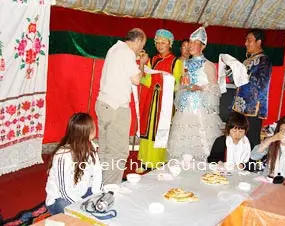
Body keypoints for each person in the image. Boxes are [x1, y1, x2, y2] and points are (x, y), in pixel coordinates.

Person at [95, 28, 148, 184]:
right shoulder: (127, 53)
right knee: (117, 152)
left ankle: (99, 183)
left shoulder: (115, 48)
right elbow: (136, 80)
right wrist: (142, 64)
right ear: (138, 41)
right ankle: (110, 189)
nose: (141, 49)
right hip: (116, 107)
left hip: (103, 103)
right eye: (142, 44)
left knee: (104, 149)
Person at [167, 27, 223, 161]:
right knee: (182, 140)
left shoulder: (208, 65)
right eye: (190, 42)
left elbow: (215, 88)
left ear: (202, 46)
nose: (190, 45)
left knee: (202, 141)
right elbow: (182, 85)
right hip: (185, 108)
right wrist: (183, 84)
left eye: (194, 42)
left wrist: (200, 88)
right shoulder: (184, 63)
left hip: (200, 109)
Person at [138, 29, 182, 169]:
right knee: (148, 129)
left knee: (160, 131)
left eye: (164, 42)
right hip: (151, 100)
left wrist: (167, 81)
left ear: (170, 44)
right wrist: (142, 67)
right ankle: (145, 161)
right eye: (158, 42)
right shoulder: (152, 60)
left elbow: (177, 86)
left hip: (165, 103)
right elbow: (147, 81)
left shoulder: (176, 62)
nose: (160, 45)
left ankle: (157, 163)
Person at [45, 113, 102, 215]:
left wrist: (96, 195)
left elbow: (97, 172)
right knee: (75, 214)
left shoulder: (91, 146)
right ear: (85, 132)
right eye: (93, 126)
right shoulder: (63, 155)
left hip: (82, 193)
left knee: (104, 200)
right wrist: (82, 205)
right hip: (60, 199)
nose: (95, 128)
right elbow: (64, 191)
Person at [231, 29, 272, 149]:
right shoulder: (247, 60)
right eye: (246, 40)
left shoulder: (264, 60)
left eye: (249, 40)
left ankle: (250, 166)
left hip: (252, 108)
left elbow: (262, 83)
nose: (246, 43)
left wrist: (244, 75)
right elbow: (239, 82)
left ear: (259, 42)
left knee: (250, 140)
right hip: (239, 106)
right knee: (236, 139)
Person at [251, 116, 285, 182]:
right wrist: (270, 139)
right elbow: (253, 156)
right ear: (278, 130)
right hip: (269, 180)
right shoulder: (272, 141)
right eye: (282, 130)